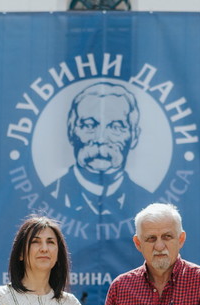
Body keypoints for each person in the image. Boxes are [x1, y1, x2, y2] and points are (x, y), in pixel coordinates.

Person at [49, 81, 149, 216]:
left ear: (134, 136)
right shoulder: (51, 195)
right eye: (89, 125)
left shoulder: (148, 203)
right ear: (71, 131)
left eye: (116, 127)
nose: (101, 139)